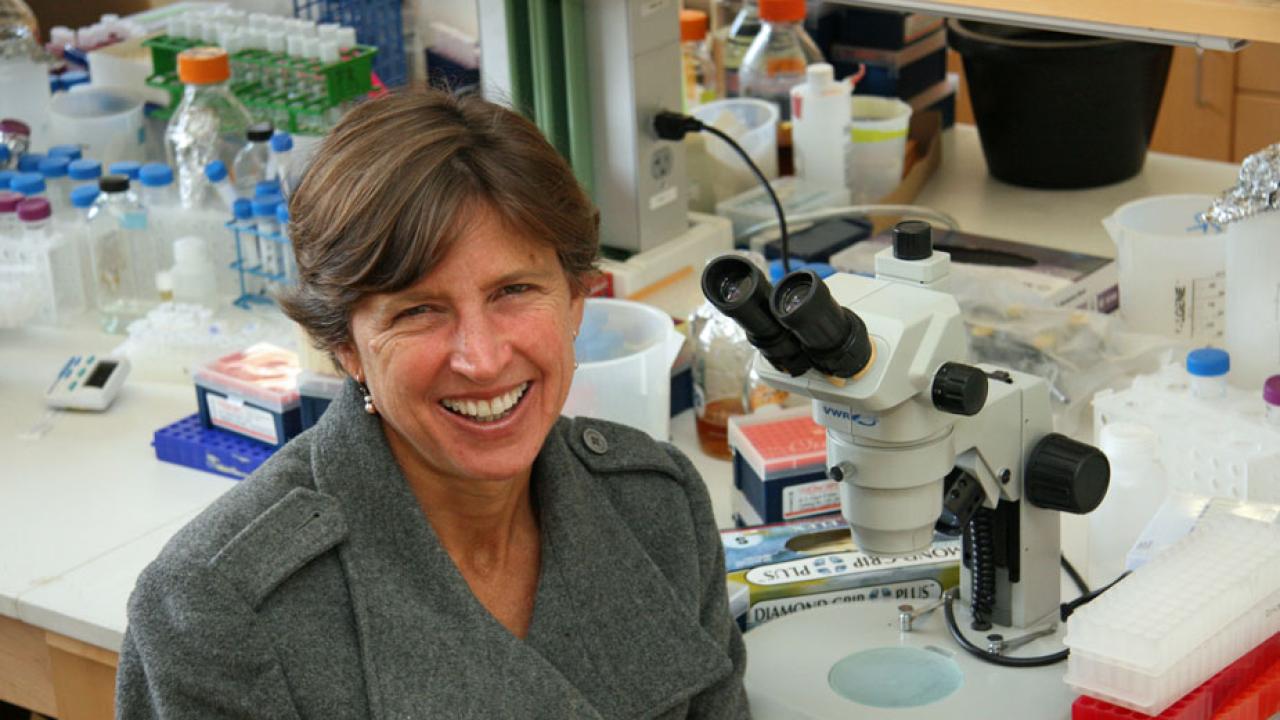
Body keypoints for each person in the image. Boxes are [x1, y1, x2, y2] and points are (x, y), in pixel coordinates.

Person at [115, 89, 749, 718]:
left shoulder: (658, 509)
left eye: (514, 290)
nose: (483, 359)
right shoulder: (220, 610)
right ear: (345, 346)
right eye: (419, 310)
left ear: (576, 302)